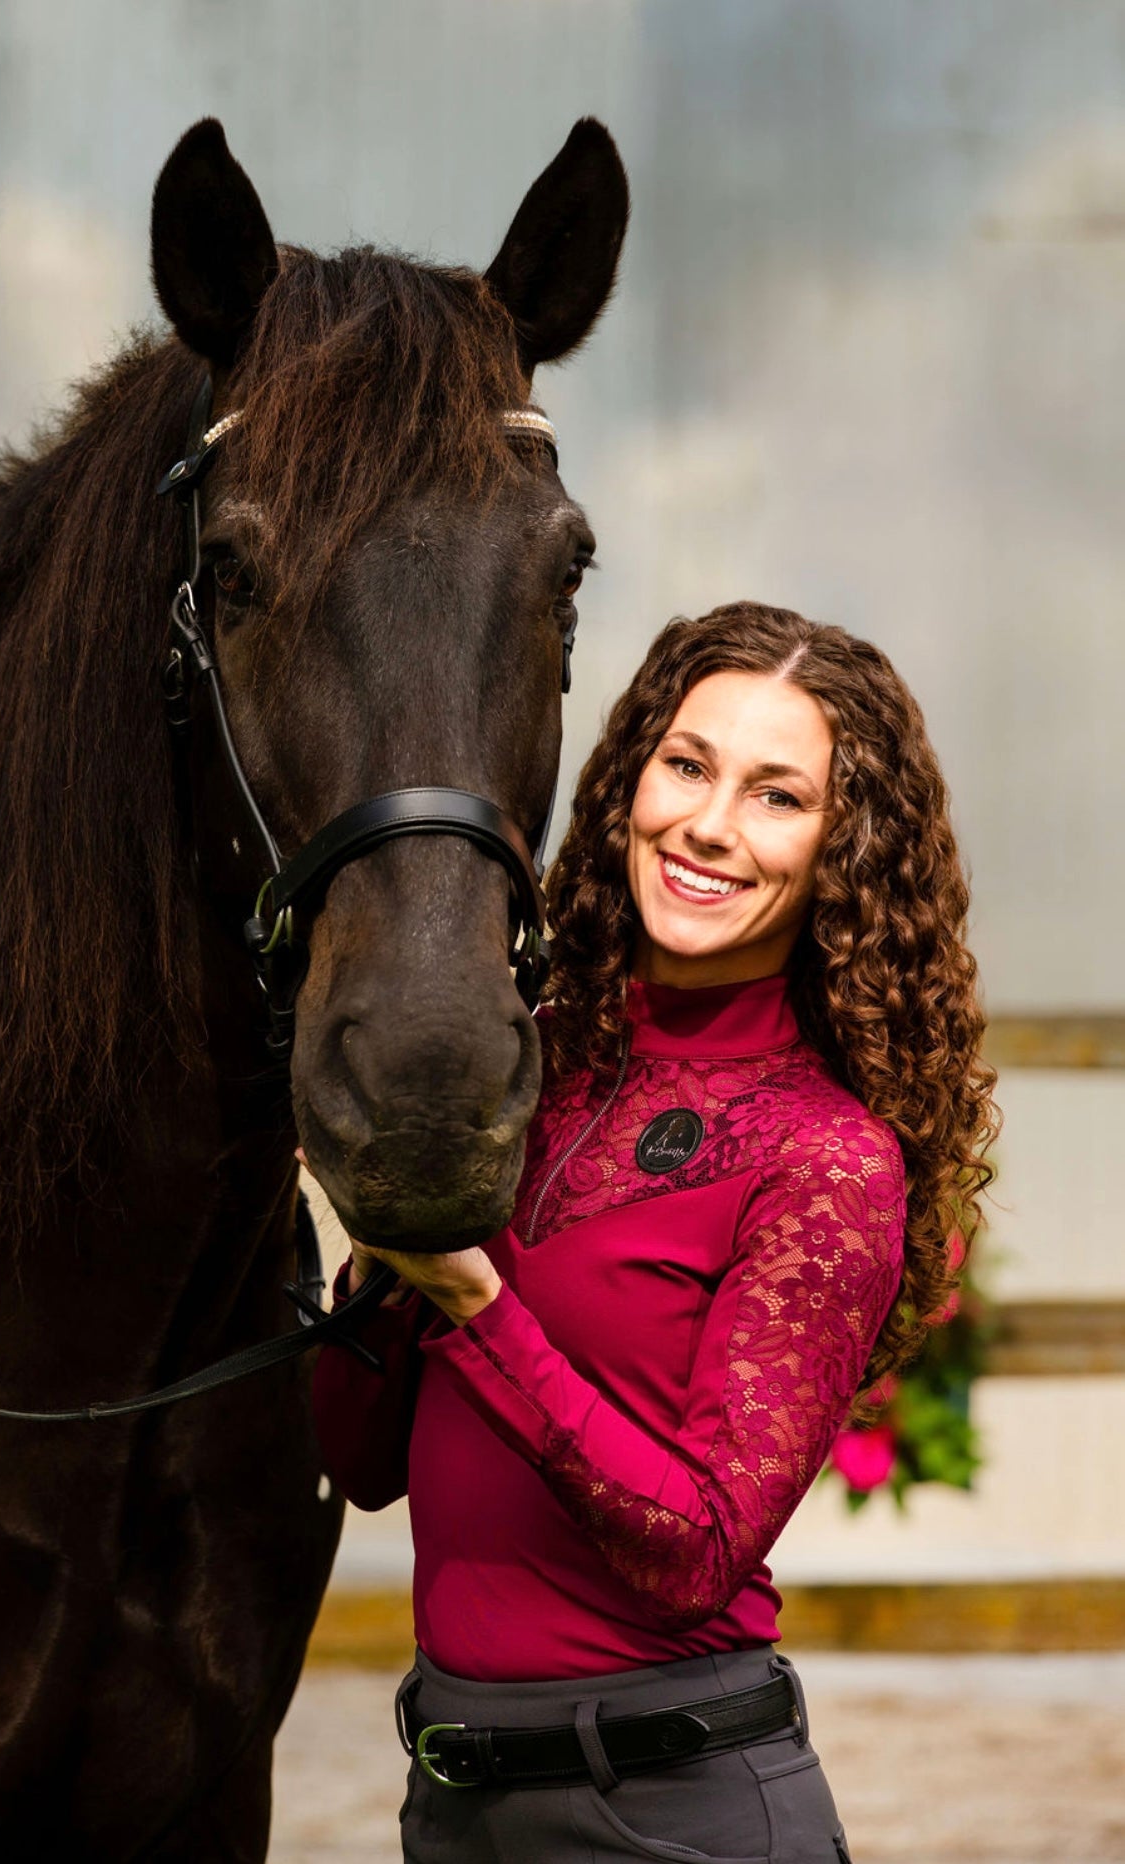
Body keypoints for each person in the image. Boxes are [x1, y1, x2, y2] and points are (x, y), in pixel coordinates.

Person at [312, 601, 997, 1863]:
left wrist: (476, 1299)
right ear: (631, 777)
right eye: (687, 764)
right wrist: (376, 1232)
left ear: (844, 853)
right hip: (452, 1806)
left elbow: (697, 1546)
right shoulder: (535, 1062)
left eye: (777, 795)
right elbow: (365, 1462)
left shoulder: (825, 1160)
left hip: (669, 1814)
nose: (709, 825)